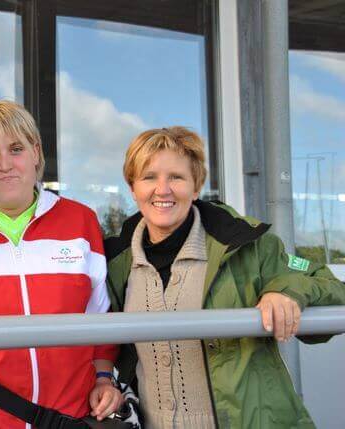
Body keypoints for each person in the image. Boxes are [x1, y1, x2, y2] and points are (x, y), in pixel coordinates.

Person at [105, 126, 345, 428]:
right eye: (149, 177)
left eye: (176, 177)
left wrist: (285, 290)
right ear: (133, 187)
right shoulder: (115, 261)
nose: (162, 189)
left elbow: (330, 285)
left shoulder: (247, 246)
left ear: (196, 187)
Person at [0, 100, 122, 428]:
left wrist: (104, 378)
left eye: (16, 149)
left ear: (36, 152)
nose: (4, 164)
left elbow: (99, 316)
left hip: (66, 417)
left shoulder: (80, 221)